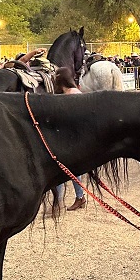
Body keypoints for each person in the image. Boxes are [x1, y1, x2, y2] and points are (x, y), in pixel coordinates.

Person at [53, 66, 87, 211]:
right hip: (70, 138)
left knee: (61, 171)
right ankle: (76, 197)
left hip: (71, 139)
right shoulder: (70, 93)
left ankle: (60, 201)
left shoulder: (73, 95)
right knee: (69, 170)